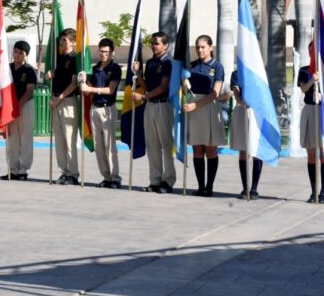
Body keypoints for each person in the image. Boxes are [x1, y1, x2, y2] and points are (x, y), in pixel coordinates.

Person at [132, 32, 176, 193]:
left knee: (166, 144)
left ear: (165, 45)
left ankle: (169, 180)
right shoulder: (150, 62)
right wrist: (137, 74)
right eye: (152, 43)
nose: (153, 45)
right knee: (152, 145)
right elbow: (147, 85)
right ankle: (155, 180)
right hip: (150, 105)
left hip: (163, 105)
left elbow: (164, 87)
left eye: (156, 43)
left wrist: (143, 96)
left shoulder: (168, 63)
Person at [183, 35, 225, 197]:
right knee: (197, 148)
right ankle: (201, 187)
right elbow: (186, 89)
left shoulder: (217, 66)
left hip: (208, 108)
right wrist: (183, 82)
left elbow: (215, 93)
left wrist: (196, 105)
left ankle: (210, 187)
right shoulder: (191, 66)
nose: (200, 50)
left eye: (203, 47)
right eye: (198, 47)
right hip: (194, 109)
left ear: (210, 47)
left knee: (211, 149)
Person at [80, 38, 122, 188]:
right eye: (101, 51)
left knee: (109, 144)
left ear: (112, 53)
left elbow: (110, 90)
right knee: (99, 145)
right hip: (94, 107)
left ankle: (115, 177)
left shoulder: (115, 68)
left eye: (106, 52)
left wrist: (91, 89)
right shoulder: (95, 68)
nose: (103, 54)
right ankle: (106, 176)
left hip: (107, 108)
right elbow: (88, 89)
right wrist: (84, 81)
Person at [46, 28, 79, 185]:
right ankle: (63, 171)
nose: (62, 42)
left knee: (69, 138)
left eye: (65, 40)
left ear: (73, 41)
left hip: (67, 101)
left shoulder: (75, 59)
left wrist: (59, 98)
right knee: (59, 139)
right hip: (56, 100)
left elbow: (74, 83)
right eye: (61, 40)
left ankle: (73, 173)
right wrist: (52, 73)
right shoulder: (59, 57)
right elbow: (59, 75)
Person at [223, 70, 263, 199]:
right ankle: (245, 187)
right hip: (242, 110)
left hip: (257, 111)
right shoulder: (236, 74)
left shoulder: (258, 70)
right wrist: (241, 99)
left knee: (256, 150)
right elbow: (236, 92)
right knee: (243, 150)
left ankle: (254, 188)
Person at [299, 43, 324, 204]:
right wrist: (313, 79)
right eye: (311, 51)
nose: (314, 54)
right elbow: (303, 90)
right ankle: (313, 192)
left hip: (323, 112)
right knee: (311, 154)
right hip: (310, 110)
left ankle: (323, 192)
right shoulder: (304, 70)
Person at [2, 41, 37, 181]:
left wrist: (18, 105)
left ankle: (23, 169)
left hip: (25, 105)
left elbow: (29, 91)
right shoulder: (7, 68)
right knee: (12, 138)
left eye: (20, 53)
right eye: (15, 51)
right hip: (10, 108)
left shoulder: (29, 70)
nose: (17, 55)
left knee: (25, 137)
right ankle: (12, 169)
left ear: (26, 55)